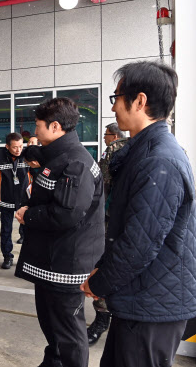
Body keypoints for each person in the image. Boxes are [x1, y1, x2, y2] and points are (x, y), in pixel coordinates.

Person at [81, 61, 196, 367]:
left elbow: (140, 242)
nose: (114, 106)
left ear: (140, 101)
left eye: (117, 97)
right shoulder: (145, 151)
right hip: (141, 297)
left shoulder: (159, 159)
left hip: (153, 304)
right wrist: (103, 271)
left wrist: (100, 282)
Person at [15, 98, 104, 367]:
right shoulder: (59, 154)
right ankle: (53, 362)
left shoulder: (75, 163)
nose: (35, 132)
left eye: (38, 126)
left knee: (68, 332)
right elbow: (38, 156)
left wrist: (27, 214)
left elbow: (67, 213)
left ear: (55, 126)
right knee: (51, 325)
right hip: (52, 259)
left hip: (66, 263)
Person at [86, 122, 127, 345]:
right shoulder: (115, 151)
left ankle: (110, 319)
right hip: (107, 221)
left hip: (124, 223)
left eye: (106, 134)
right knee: (103, 265)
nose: (103, 138)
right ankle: (102, 319)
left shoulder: (119, 149)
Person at [0, 133, 29, 269]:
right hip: (6, 199)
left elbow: (36, 174)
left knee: (29, 230)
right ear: (7, 146)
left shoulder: (27, 155)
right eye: (15, 147)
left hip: (25, 200)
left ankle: (26, 259)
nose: (18, 150)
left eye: (21, 146)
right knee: (6, 229)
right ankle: (7, 256)